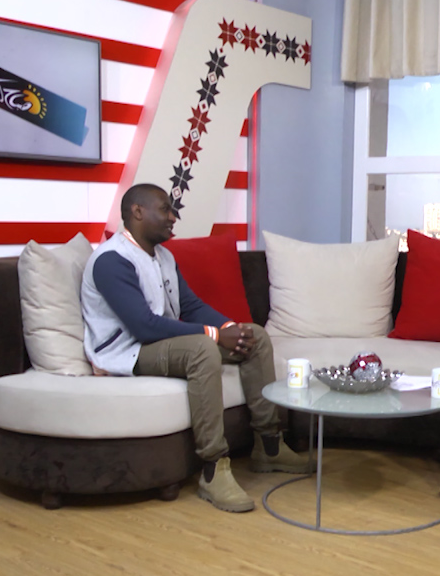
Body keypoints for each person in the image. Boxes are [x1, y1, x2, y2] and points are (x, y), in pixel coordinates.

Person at [81, 184, 309, 513]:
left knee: (254, 336)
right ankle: (214, 469)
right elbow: (144, 326)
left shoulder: (163, 256)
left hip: (161, 342)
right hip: (126, 352)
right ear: (137, 212)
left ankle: (269, 447)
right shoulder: (111, 260)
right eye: (165, 209)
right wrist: (215, 335)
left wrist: (229, 328)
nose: (173, 217)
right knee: (202, 348)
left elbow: (189, 305)